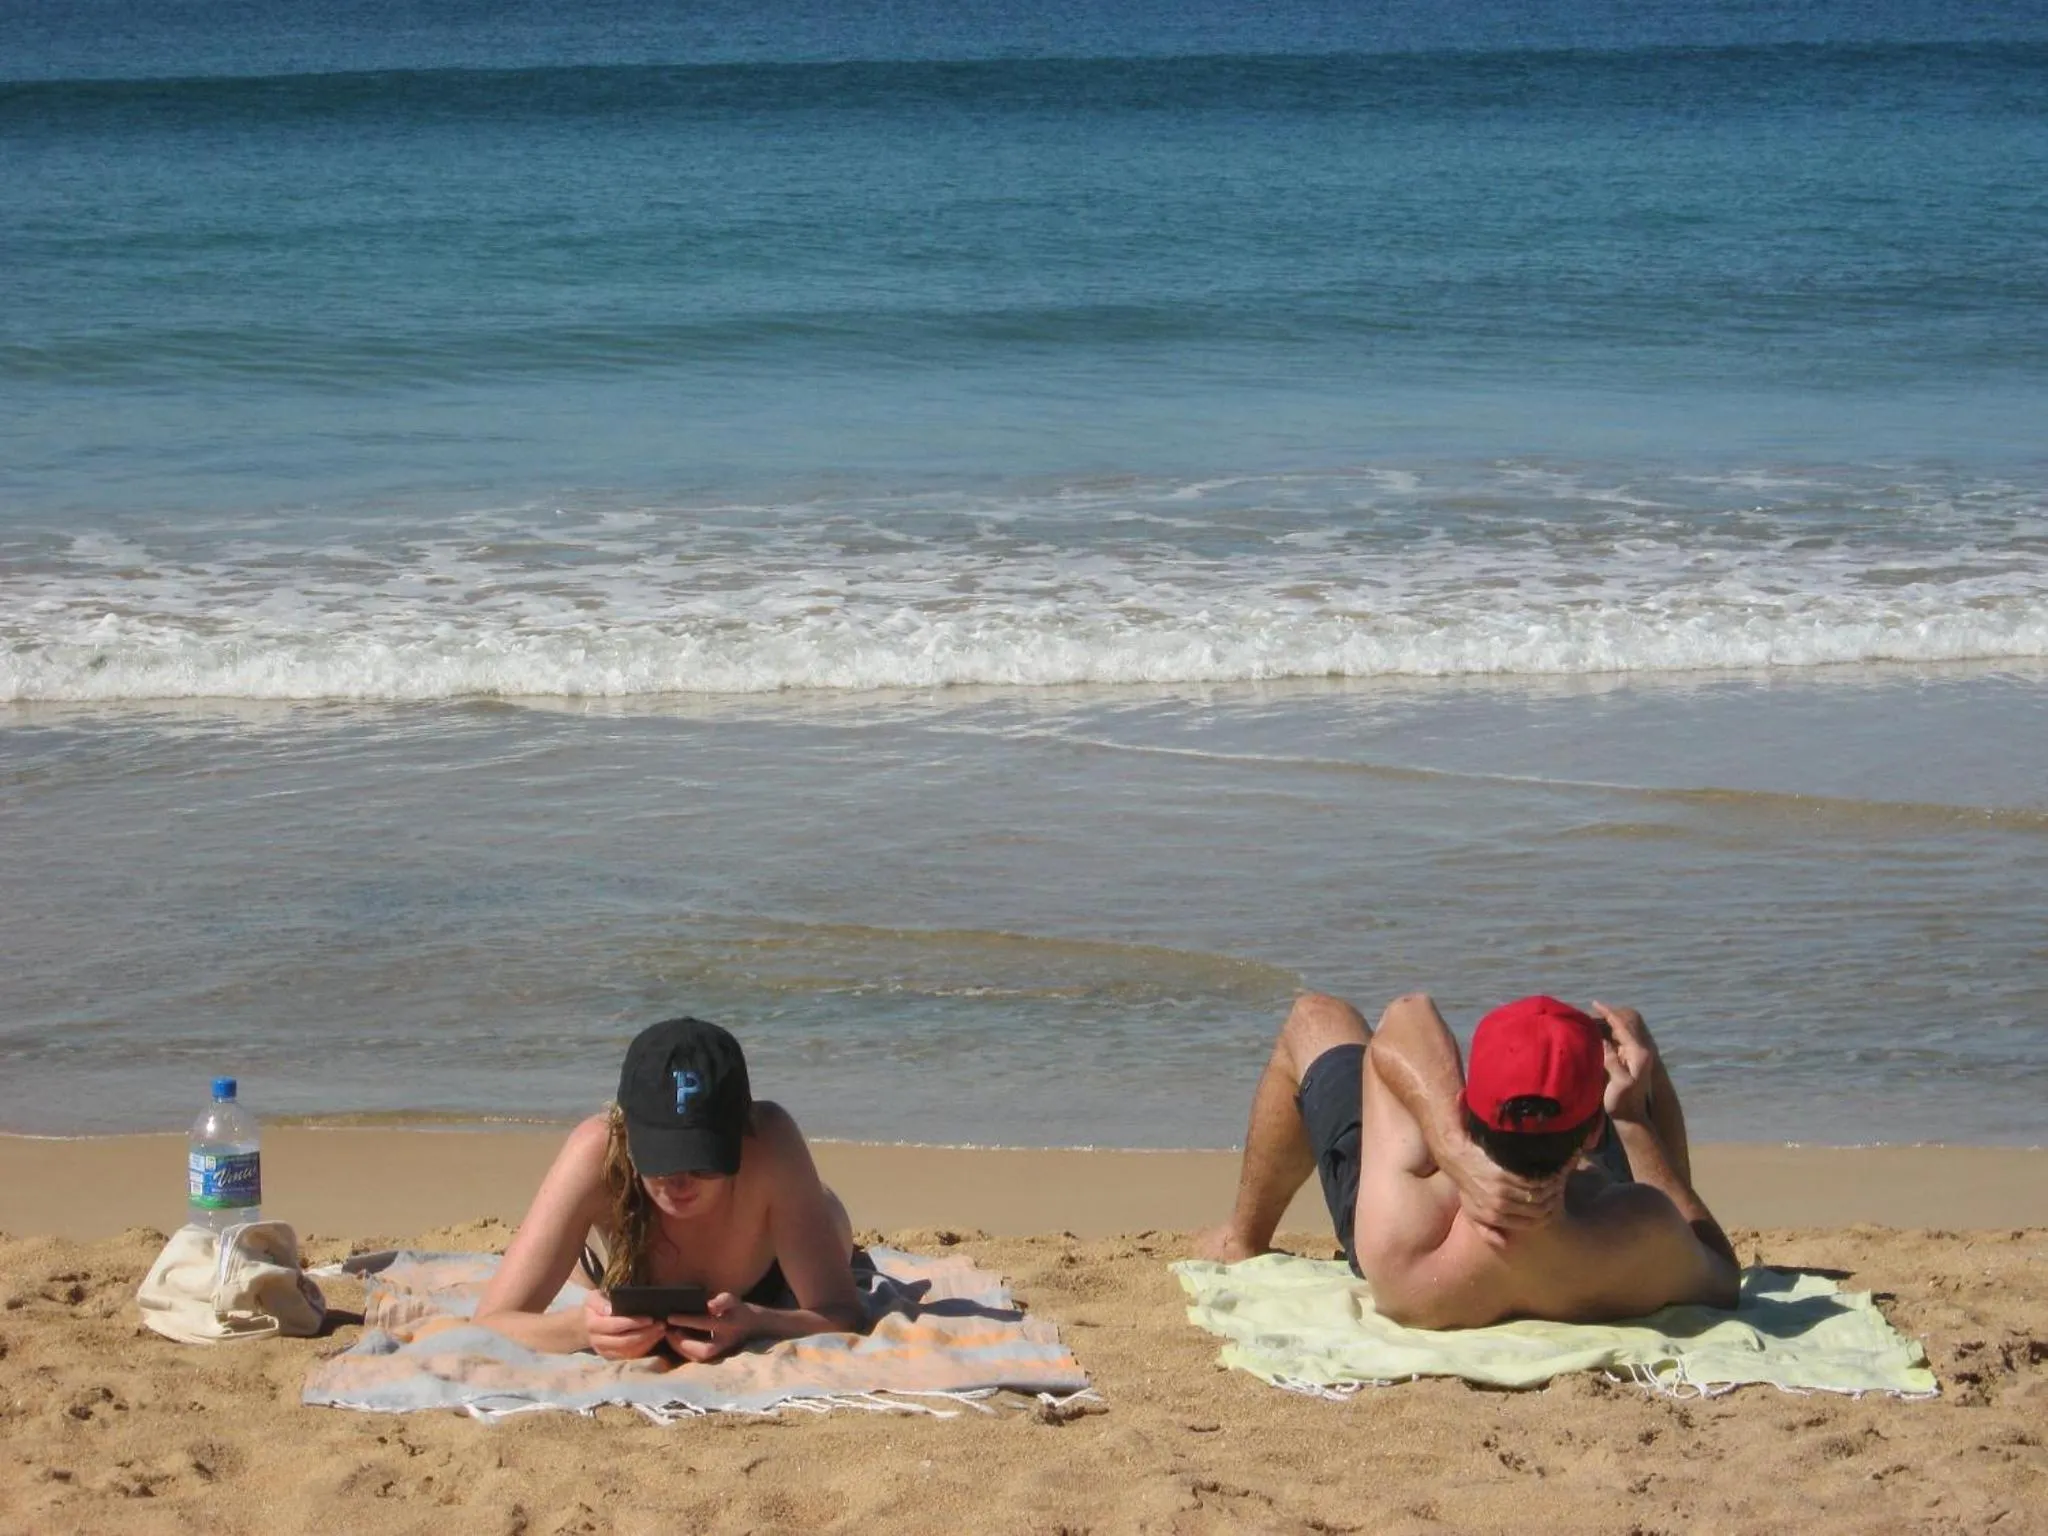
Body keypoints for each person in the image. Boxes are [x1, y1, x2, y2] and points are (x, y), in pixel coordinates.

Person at [1194, 990, 1739, 1328]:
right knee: (1628, 1031)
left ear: (1466, 1106)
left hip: (1447, 1261)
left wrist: (1451, 1149)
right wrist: (1631, 1122)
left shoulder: (1406, 1242)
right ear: (1591, 1129)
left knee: (1315, 1016)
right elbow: (1722, 1272)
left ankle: (1242, 1240)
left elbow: (1408, 1015)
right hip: (1595, 1259)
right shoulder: (1644, 1233)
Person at [476, 1015, 863, 1360]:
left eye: (703, 1161)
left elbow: (842, 1313)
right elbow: (491, 1322)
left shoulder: (770, 1141)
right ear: (626, 1132)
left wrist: (757, 1321)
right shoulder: (595, 1150)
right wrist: (581, 1329)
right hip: (609, 1258)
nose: (680, 1182)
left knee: (832, 1222)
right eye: (661, 1161)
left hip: (773, 1262)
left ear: (741, 1132)